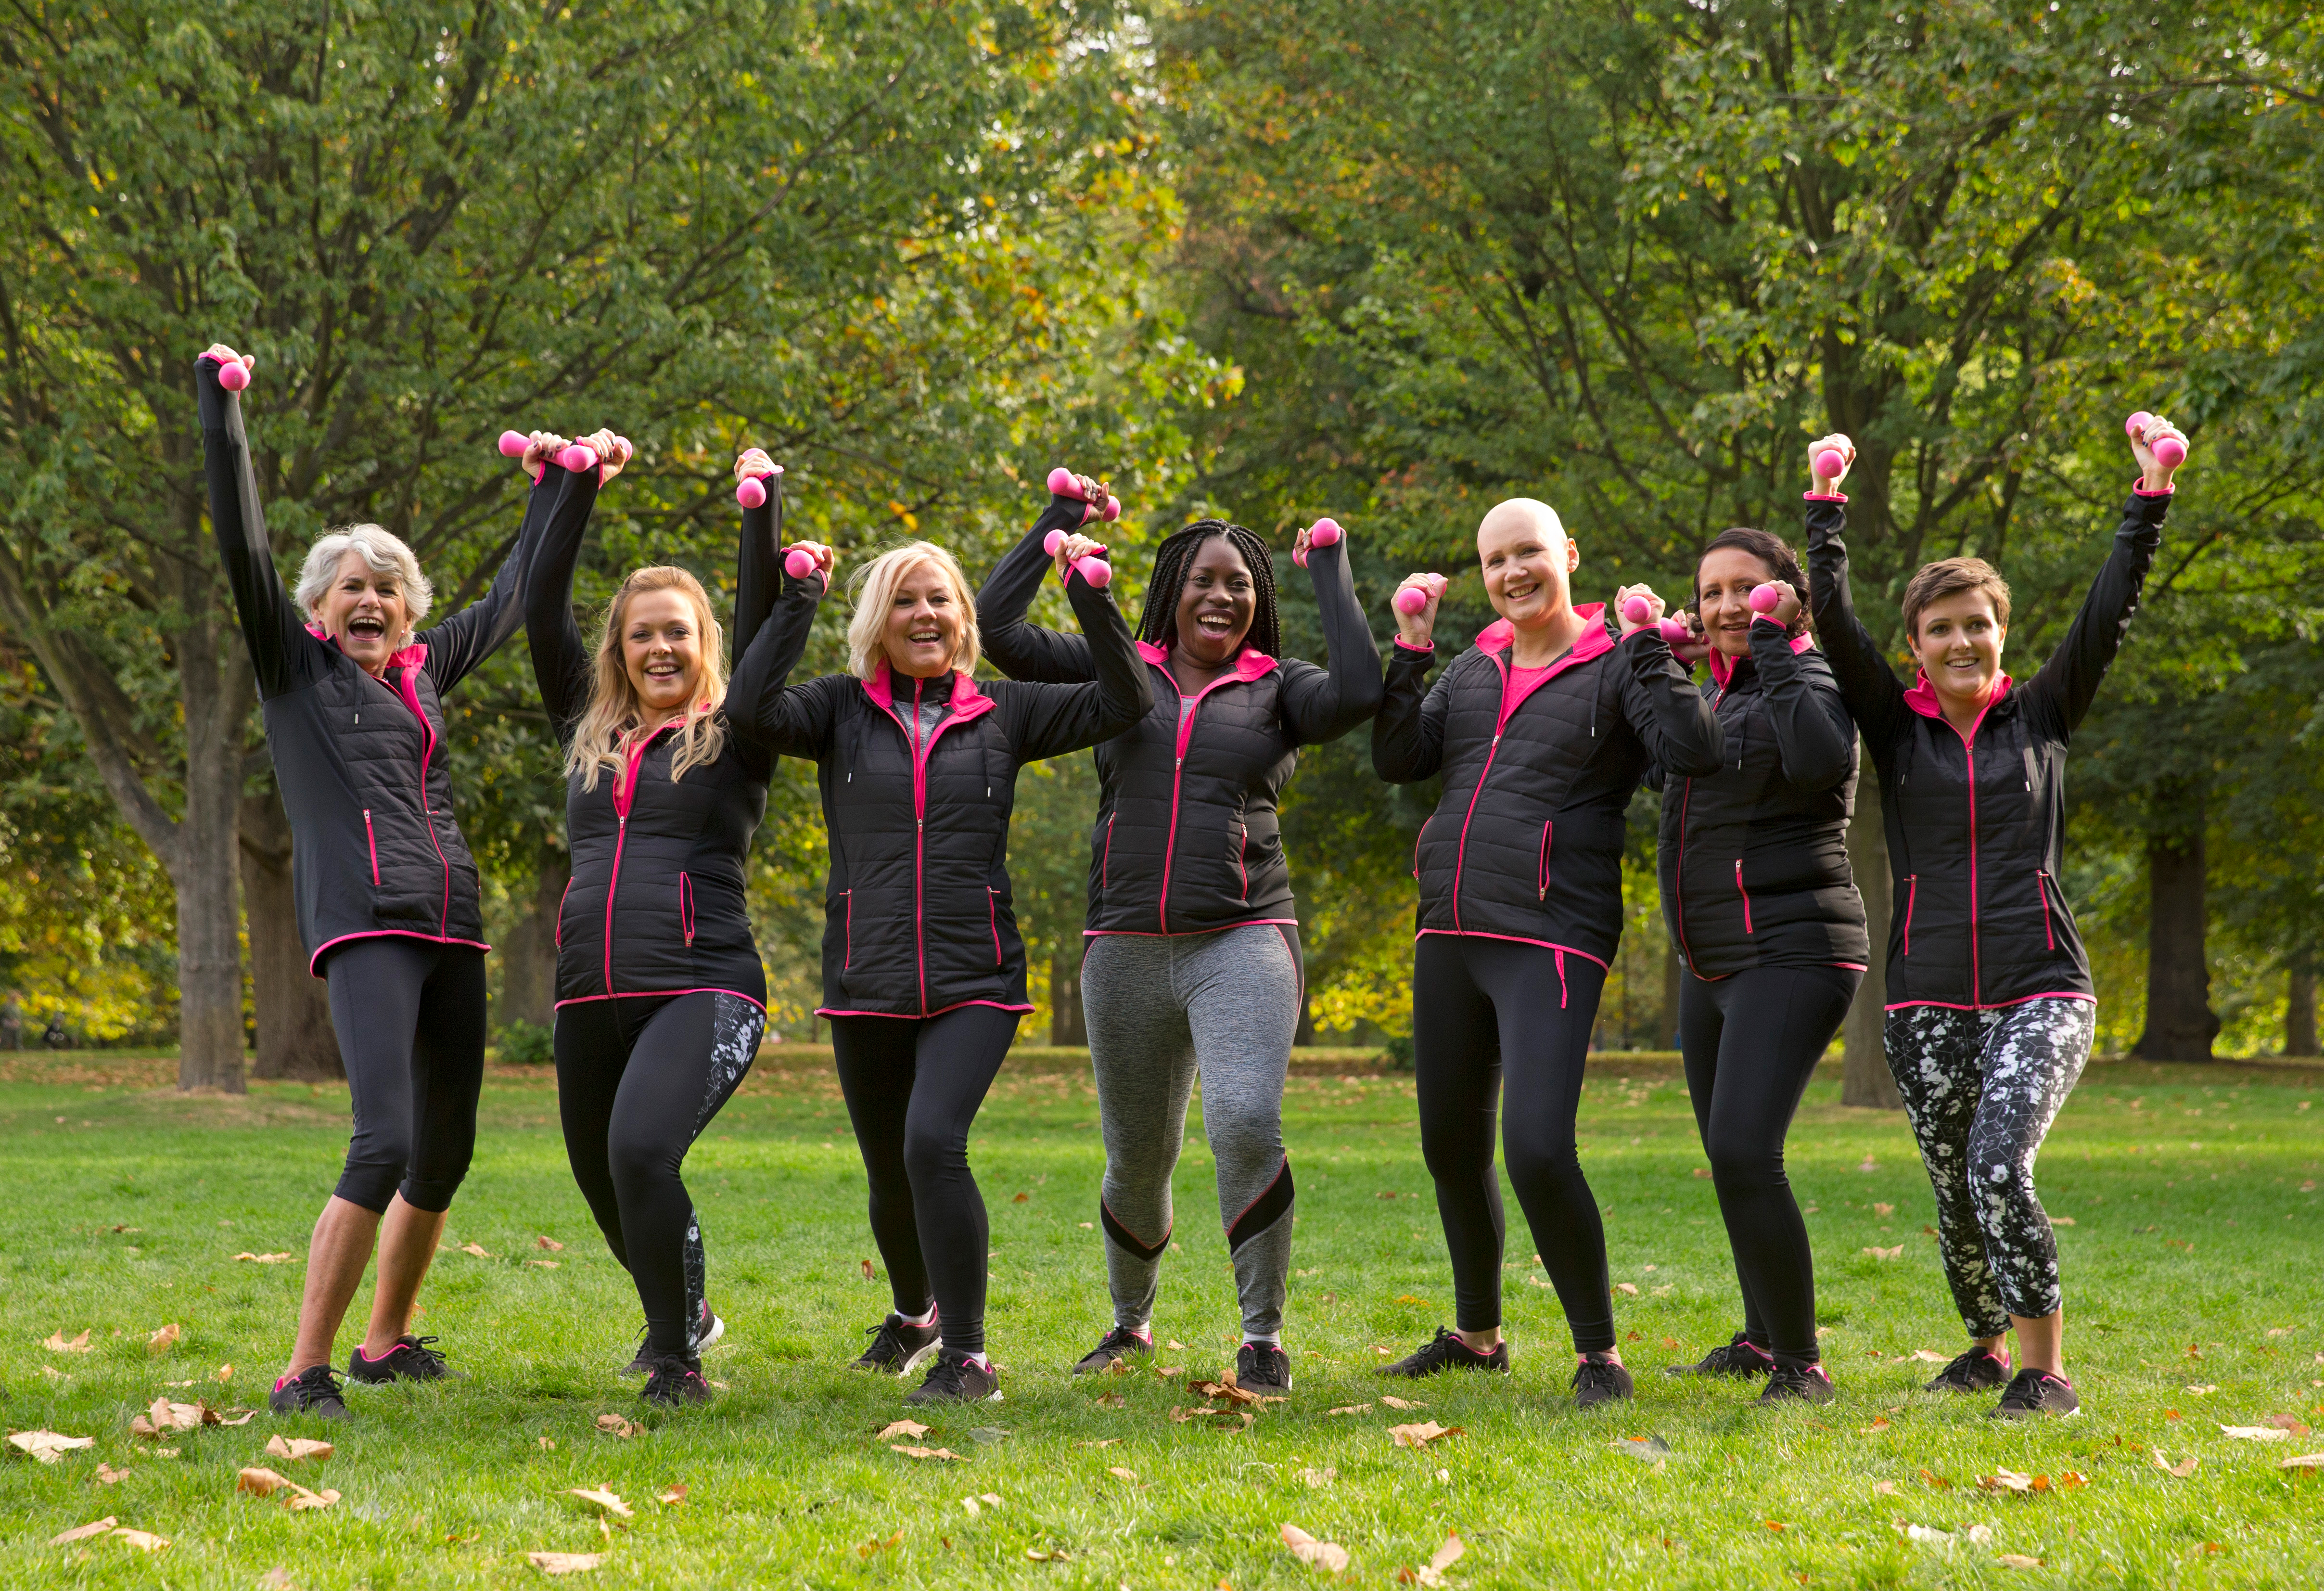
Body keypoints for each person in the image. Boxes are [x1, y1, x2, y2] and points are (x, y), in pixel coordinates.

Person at [196, 344, 571, 1418]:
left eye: (390, 588)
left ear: (409, 611)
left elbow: (510, 597)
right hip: (364, 923)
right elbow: (242, 543)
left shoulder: (424, 671)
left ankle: (384, 1344)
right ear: (318, 608)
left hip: (451, 921)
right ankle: (303, 1368)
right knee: (385, 1141)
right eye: (353, 586)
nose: (373, 599)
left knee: (444, 1152)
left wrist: (563, 484)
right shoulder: (295, 671)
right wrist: (223, 408)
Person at [727, 476, 1151, 1404]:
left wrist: (1088, 592)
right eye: (904, 601)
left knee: (932, 1144)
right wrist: (798, 596)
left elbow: (1128, 700)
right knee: (889, 1170)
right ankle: (915, 1313)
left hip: (975, 974)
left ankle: (969, 1355)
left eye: (940, 600)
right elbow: (750, 707)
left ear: (964, 620)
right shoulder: (837, 710)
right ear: (876, 622)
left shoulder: (1006, 710)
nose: (924, 614)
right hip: (866, 973)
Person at [1805, 417, 2186, 1418]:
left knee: (1998, 1165)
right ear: (1916, 647)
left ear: (2000, 633)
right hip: (1924, 996)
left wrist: (2147, 501)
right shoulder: (1895, 729)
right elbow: (1832, 624)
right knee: (1953, 1185)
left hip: (2041, 986)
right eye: (1940, 629)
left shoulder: (2042, 714)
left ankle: (2043, 1367)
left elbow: (2108, 611)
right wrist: (1825, 509)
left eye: (1976, 623)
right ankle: (1981, 1345)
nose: (1960, 641)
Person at [977, 502, 1383, 1392]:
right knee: (1137, 1154)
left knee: (1244, 1119)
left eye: (1239, 584)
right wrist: (1058, 524)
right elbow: (998, 629)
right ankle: (1130, 1323)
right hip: (1123, 941)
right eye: (1203, 580)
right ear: (1170, 591)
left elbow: (1359, 693)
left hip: (1243, 935)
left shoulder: (1281, 687)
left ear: (1259, 598)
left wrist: (1328, 565)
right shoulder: (1119, 665)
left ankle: (1262, 1337)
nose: (1220, 596)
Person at [1371, 498, 1722, 1408]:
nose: (1512, 572)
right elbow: (1399, 757)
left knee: (1534, 1146)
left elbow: (1689, 750)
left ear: (1567, 553)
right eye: (1494, 560)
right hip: (1449, 928)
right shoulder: (1471, 665)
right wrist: (1410, 648)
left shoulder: (1615, 660)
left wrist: (1648, 650)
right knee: (1450, 1146)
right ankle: (1476, 1336)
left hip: (1549, 933)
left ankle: (1598, 1353)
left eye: (1527, 551)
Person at [524, 440, 813, 1407]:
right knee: (605, 1181)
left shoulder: (740, 730)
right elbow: (539, 604)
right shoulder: (587, 729)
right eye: (641, 634)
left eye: (678, 634)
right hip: (587, 992)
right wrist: (573, 486)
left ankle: (675, 1359)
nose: (660, 649)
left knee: (643, 1152)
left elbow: (765, 617)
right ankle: (687, 1312)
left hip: (703, 983)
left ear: (704, 644)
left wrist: (760, 510)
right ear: (618, 649)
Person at [1649, 529, 1868, 1403]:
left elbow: (1819, 762)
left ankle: (1801, 1365)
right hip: (1711, 959)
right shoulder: (1716, 691)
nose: (1727, 606)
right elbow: (1661, 769)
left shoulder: (1811, 674)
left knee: (1746, 1149)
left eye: (1747, 587)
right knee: (1726, 1152)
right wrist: (1653, 663)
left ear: (1786, 593)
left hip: (1795, 946)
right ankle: (1760, 1336)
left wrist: (1776, 645)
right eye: (1710, 592)